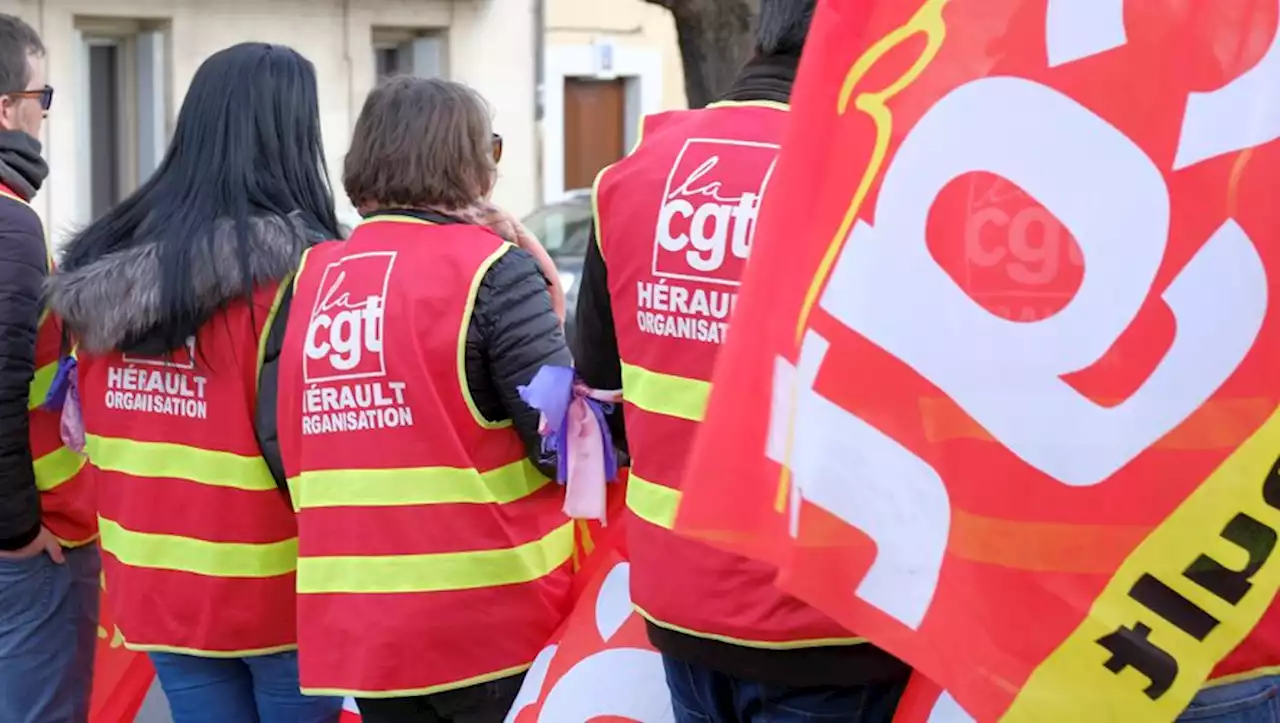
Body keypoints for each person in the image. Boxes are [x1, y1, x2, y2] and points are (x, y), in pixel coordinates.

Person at [573, 1, 912, 721]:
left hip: (680, 602)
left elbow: (599, 390)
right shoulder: (881, 170)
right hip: (826, 620)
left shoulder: (631, 175)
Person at [47, 42, 343, 723]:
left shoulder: (97, 273)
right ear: (295, 134)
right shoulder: (305, 280)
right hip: (282, 586)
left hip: (154, 580)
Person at [269, 75, 574, 723]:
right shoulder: (493, 270)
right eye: (489, 149)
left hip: (364, 623)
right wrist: (543, 280)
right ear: (465, 163)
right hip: (487, 621)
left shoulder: (312, 276)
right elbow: (568, 446)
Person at [0, 13, 101, 723]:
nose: (45, 115)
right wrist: (16, 529)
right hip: (34, 543)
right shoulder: (11, 224)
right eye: (45, 97)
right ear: (7, 109)